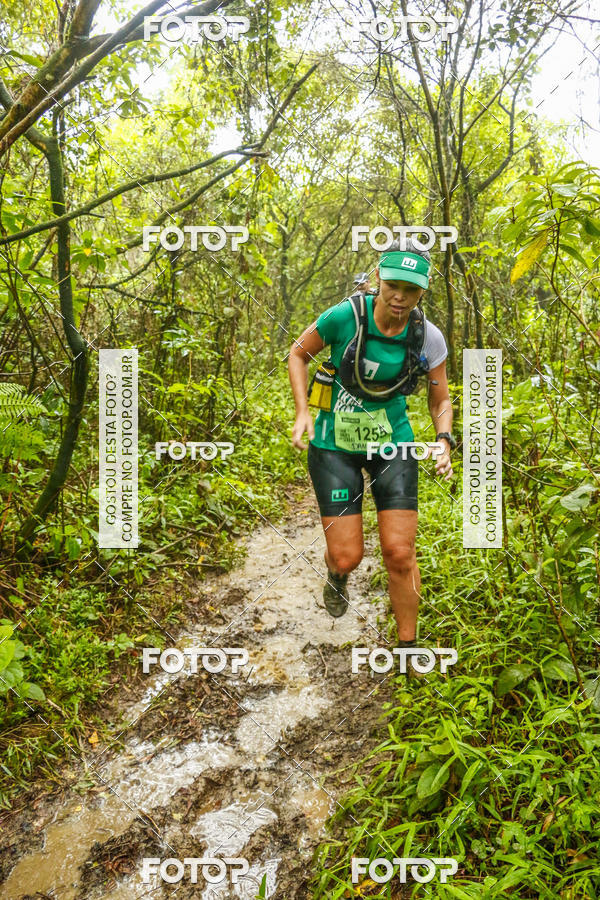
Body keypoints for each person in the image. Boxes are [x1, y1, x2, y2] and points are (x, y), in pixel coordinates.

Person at [288, 238, 455, 656]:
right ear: (378, 278)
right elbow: (297, 353)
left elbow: (441, 399)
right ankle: (337, 575)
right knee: (346, 557)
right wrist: (302, 411)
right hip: (333, 445)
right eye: (393, 285)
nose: (400, 297)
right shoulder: (345, 316)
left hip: (392, 444)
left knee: (399, 553)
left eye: (411, 290)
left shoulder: (427, 337)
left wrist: (443, 440)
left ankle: (407, 649)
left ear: (422, 292)